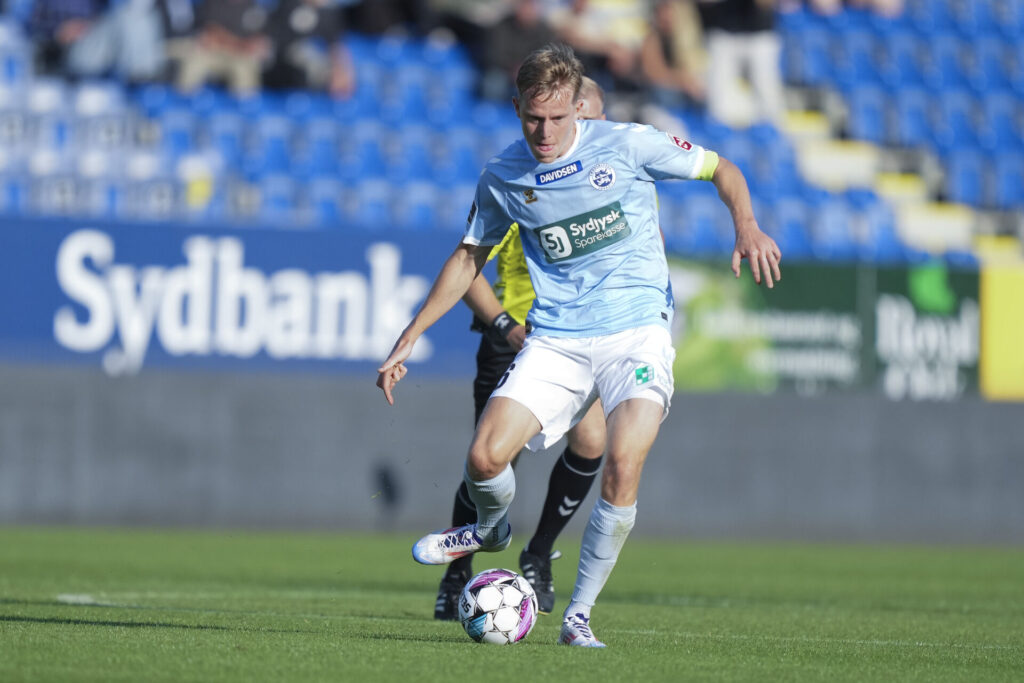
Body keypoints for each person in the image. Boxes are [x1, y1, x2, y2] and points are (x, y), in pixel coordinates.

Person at [377, 43, 780, 648]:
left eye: (558, 118)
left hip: (637, 331)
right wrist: (408, 337)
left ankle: (578, 616)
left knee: (621, 460)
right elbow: (468, 259)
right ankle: (490, 531)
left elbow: (723, 169)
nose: (545, 131)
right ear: (517, 109)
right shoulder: (504, 175)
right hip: (558, 339)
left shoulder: (627, 145)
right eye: (533, 118)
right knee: (485, 459)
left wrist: (746, 224)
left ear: (578, 110)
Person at [432, 75, 608, 622]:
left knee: (591, 438)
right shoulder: (521, 183)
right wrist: (507, 324)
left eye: (599, 122)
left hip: (582, 338)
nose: (593, 131)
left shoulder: (613, 182)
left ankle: (538, 555)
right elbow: (470, 267)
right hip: (514, 338)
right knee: (487, 458)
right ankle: (457, 570)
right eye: (586, 120)